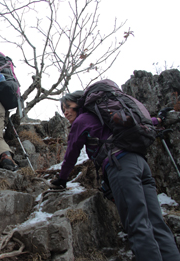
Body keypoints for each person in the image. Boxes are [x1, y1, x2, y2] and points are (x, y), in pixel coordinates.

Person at [50, 86, 180, 261]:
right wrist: (158, 120)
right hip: (141, 165)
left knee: (137, 225)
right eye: (63, 109)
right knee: (157, 223)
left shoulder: (82, 120)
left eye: (68, 107)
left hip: (121, 168)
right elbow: (140, 122)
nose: (65, 112)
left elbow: (71, 153)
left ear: (79, 104)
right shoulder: (108, 116)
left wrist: (62, 178)